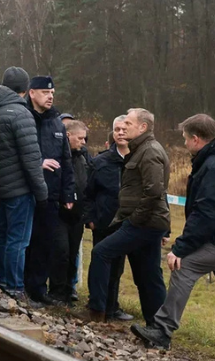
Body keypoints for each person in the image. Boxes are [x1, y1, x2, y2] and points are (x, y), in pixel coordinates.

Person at [131, 114, 215, 361]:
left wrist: (181, 248)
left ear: (196, 139)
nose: (184, 144)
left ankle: (162, 330)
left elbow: (207, 213)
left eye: (184, 139)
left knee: (184, 265)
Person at [84, 108, 170, 323]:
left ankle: (97, 312)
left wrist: (133, 219)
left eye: (129, 124)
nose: (123, 129)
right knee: (147, 275)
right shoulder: (139, 149)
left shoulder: (149, 151)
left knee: (102, 252)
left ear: (142, 127)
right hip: (144, 221)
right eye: (119, 127)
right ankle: (157, 325)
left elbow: (154, 191)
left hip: (143, 223)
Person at [0, 67, 48, 304]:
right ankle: (15, 288)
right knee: (18, 240)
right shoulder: (21, 114)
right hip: (18, 188)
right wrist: (41, 192)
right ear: (25, 90)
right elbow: (31, 158)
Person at [23, 76, 75, 305]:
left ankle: (38, 289)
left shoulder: (56, 122)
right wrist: (38, 164)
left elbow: (66, 159)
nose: (50, 96)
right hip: (26, 191)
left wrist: (68, 193)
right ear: (31, 93)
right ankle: (18, 285)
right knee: (25, 242)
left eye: (52, 92)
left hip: (51, 195)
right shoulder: (23, 117)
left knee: (45, 244)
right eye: (45, 92)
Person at [82, 116, 134, 321]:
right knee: (101, 265)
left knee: (118, 269)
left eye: (124, 129)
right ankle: (97, 307)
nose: (120, 133)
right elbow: (88, 193)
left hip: (129, 223)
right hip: (104, 221)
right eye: (117, 129)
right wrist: (90, 218)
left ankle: (112, 307)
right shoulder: (100, 161)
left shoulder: (140, 160)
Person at [49, 120, 91, 304]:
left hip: (78, 215)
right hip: (59, 214)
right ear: (68, 136)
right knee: (61, 252)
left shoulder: (83, 157)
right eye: (80, 138)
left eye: (85, 138)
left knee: (73, 253)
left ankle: (68, 290)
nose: (83, 142)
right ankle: (56, 291)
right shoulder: (57, 156)